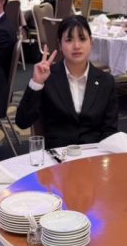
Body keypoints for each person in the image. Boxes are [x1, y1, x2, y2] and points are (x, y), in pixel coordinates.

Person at [15, 15, 118, 149]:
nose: (76, 46)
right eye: (69, 40)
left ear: (91, 42)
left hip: (94, 154)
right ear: (60, 44)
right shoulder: (48, 77)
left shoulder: (106, 81)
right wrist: (36, 83)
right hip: (58, 155)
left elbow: (110, 131)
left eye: (82, 39)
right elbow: (22, 122)